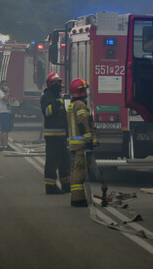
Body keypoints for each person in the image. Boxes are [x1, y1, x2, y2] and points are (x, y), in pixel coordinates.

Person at [67, 78, 98, 207]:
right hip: (81, 145)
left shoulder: (71, 105)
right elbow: (82, 124)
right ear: (80, 91)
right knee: (79, 171)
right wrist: (88, 140)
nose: (86, 92)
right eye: (84, 89)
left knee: (75, 170)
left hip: (74, 145)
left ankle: (77, 197)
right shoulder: (80, 105)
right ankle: (78, 200)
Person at [40, 72, 71, 194]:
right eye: (55, 82)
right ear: (49, 83)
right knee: (52, 161)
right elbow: (47, 112)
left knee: (64, 161)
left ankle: (66, 184)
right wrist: (57, 104)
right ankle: (50, 186)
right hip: (52, 135)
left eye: (59, 82)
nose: (58, 84)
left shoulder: (58, 96)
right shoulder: (47, 96)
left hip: (61, 135)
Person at [0, 80, 14, 152]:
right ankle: (5, 146)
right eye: (4, 85)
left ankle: (2, 145)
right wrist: (8, 92)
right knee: (5, 130)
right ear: (0, 85)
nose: (5, 87)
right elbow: (5, 98)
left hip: (4, 112)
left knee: (3, 130)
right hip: (3, 112)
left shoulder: (3, 92)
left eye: (6, 85)